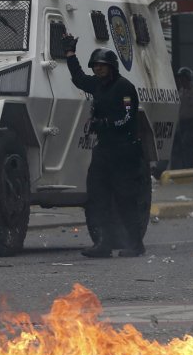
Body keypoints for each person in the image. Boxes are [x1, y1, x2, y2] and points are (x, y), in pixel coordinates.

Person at [61, 33, 146, 258]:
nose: (98, 70)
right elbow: (79, 78)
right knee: (98, 198)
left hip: (124, 152)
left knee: (125, 199)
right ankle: (103, 243)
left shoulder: (124, 88)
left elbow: (127, 118)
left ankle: (135, 244)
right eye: (95, 66)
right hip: (104, 152)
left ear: (111, 67)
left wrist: (106, 123)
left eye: (102, 66)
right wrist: (70, 54)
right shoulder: (98, 85)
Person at [172, 67, 193, 170]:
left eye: (183, 78)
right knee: (181, 144)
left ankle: (190, 166)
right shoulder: (181, 91)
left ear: (188, 78)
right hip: (183, 123)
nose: (181, 80)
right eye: (180, 78)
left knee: (187, 142)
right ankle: (183, 166)